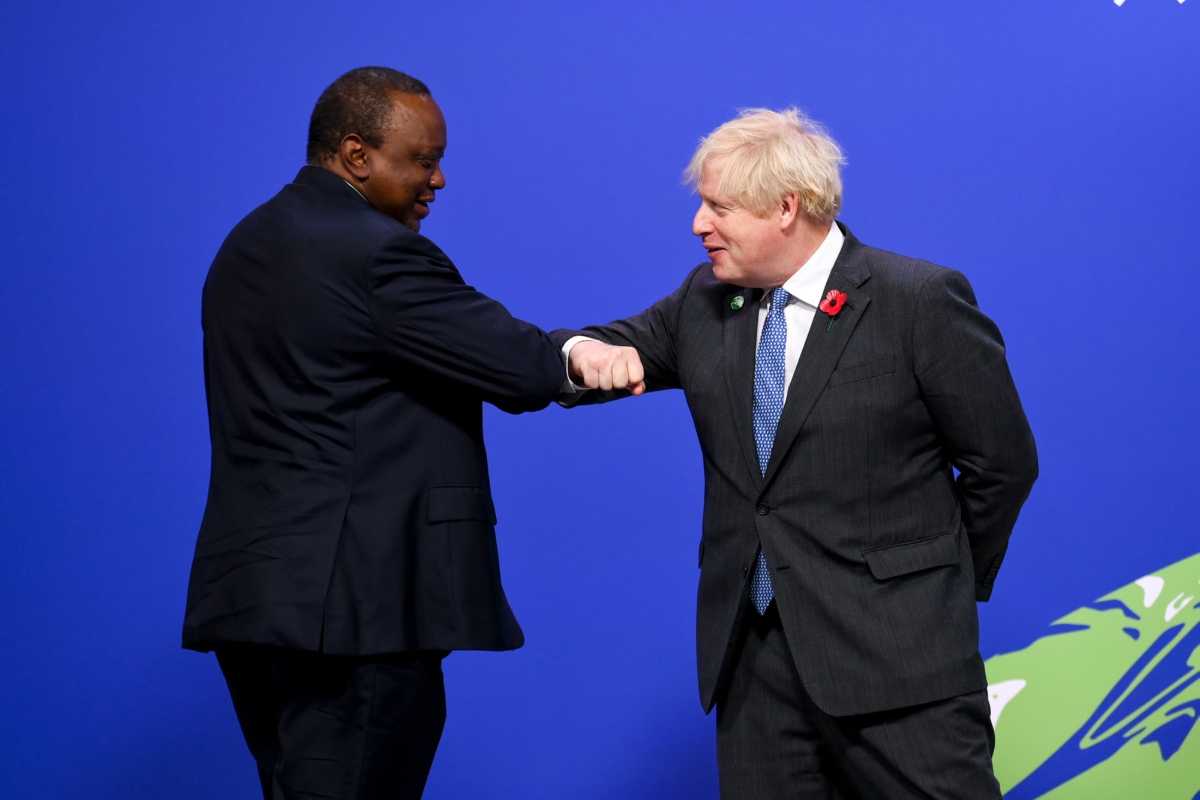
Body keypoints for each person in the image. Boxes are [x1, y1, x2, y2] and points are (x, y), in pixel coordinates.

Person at [558, 107, 1038, 799]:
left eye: (718, 206)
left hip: (901, 664)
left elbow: (1004, 465)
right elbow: (598, 348)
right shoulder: (704, 300)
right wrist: (583, 352)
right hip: (752, 668)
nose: (698, 224)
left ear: (786, 208)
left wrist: (930, 587)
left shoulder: (917, 300)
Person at [181, 67, 564, 800]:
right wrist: (613, 352)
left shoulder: (244, 245)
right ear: (356, 155)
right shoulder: (378, 253)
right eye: (421, 159)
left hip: (256, 603)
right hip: (357, 617)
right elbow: (523, 370)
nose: (439, 179)